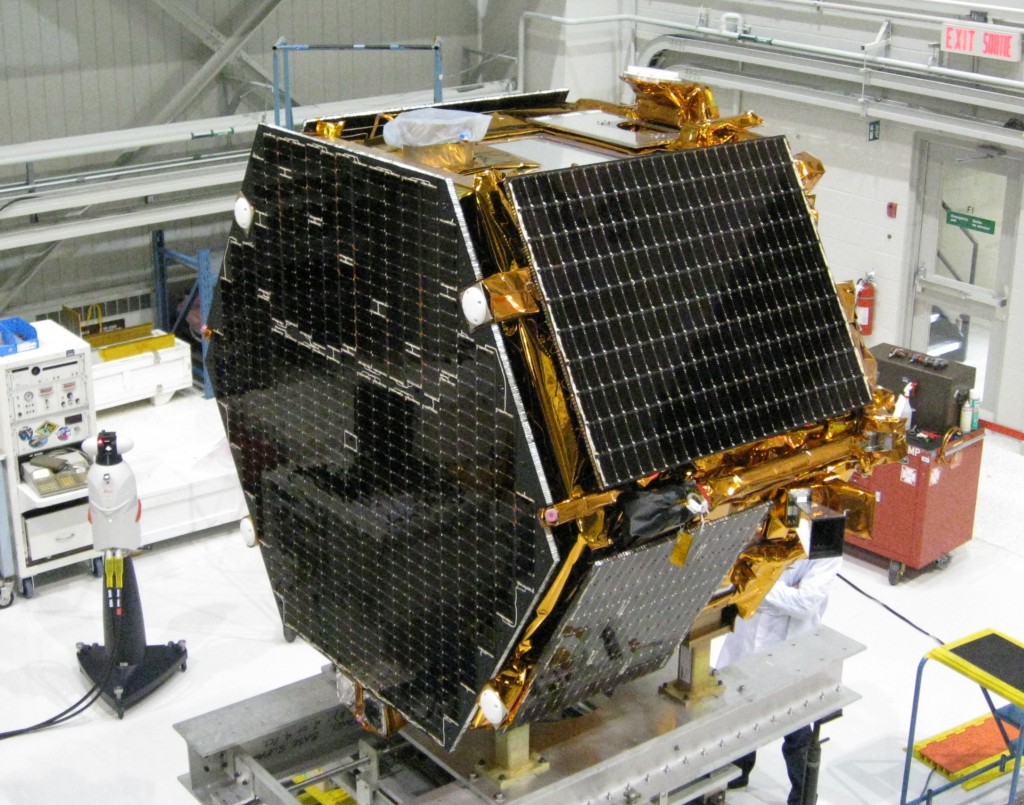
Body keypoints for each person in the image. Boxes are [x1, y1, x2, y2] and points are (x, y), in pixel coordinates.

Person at [716, 554, 843, 805]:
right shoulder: (762, 532)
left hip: (790, 655)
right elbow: (733, 576)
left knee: (796, 730)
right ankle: (739, 771)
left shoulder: (826, 549)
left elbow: (804, 603)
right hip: (745, 645)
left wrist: (758, 585)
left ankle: (803, 798)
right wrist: (782, 590)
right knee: (738, 716)